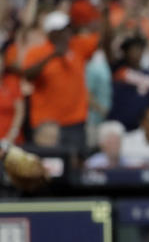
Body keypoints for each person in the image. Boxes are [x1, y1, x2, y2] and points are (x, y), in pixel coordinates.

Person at [22, 11, 102, 150]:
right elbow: (28, 75)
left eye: (67, 29)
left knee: (74, 166)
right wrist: (52, 55)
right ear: (51, 33)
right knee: (47, 166)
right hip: (46, 124)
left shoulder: (77, 46)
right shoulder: (37, 52)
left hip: (75, 122)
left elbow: (101, 40)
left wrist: (103, 15)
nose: (67, 34)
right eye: (61, 31)